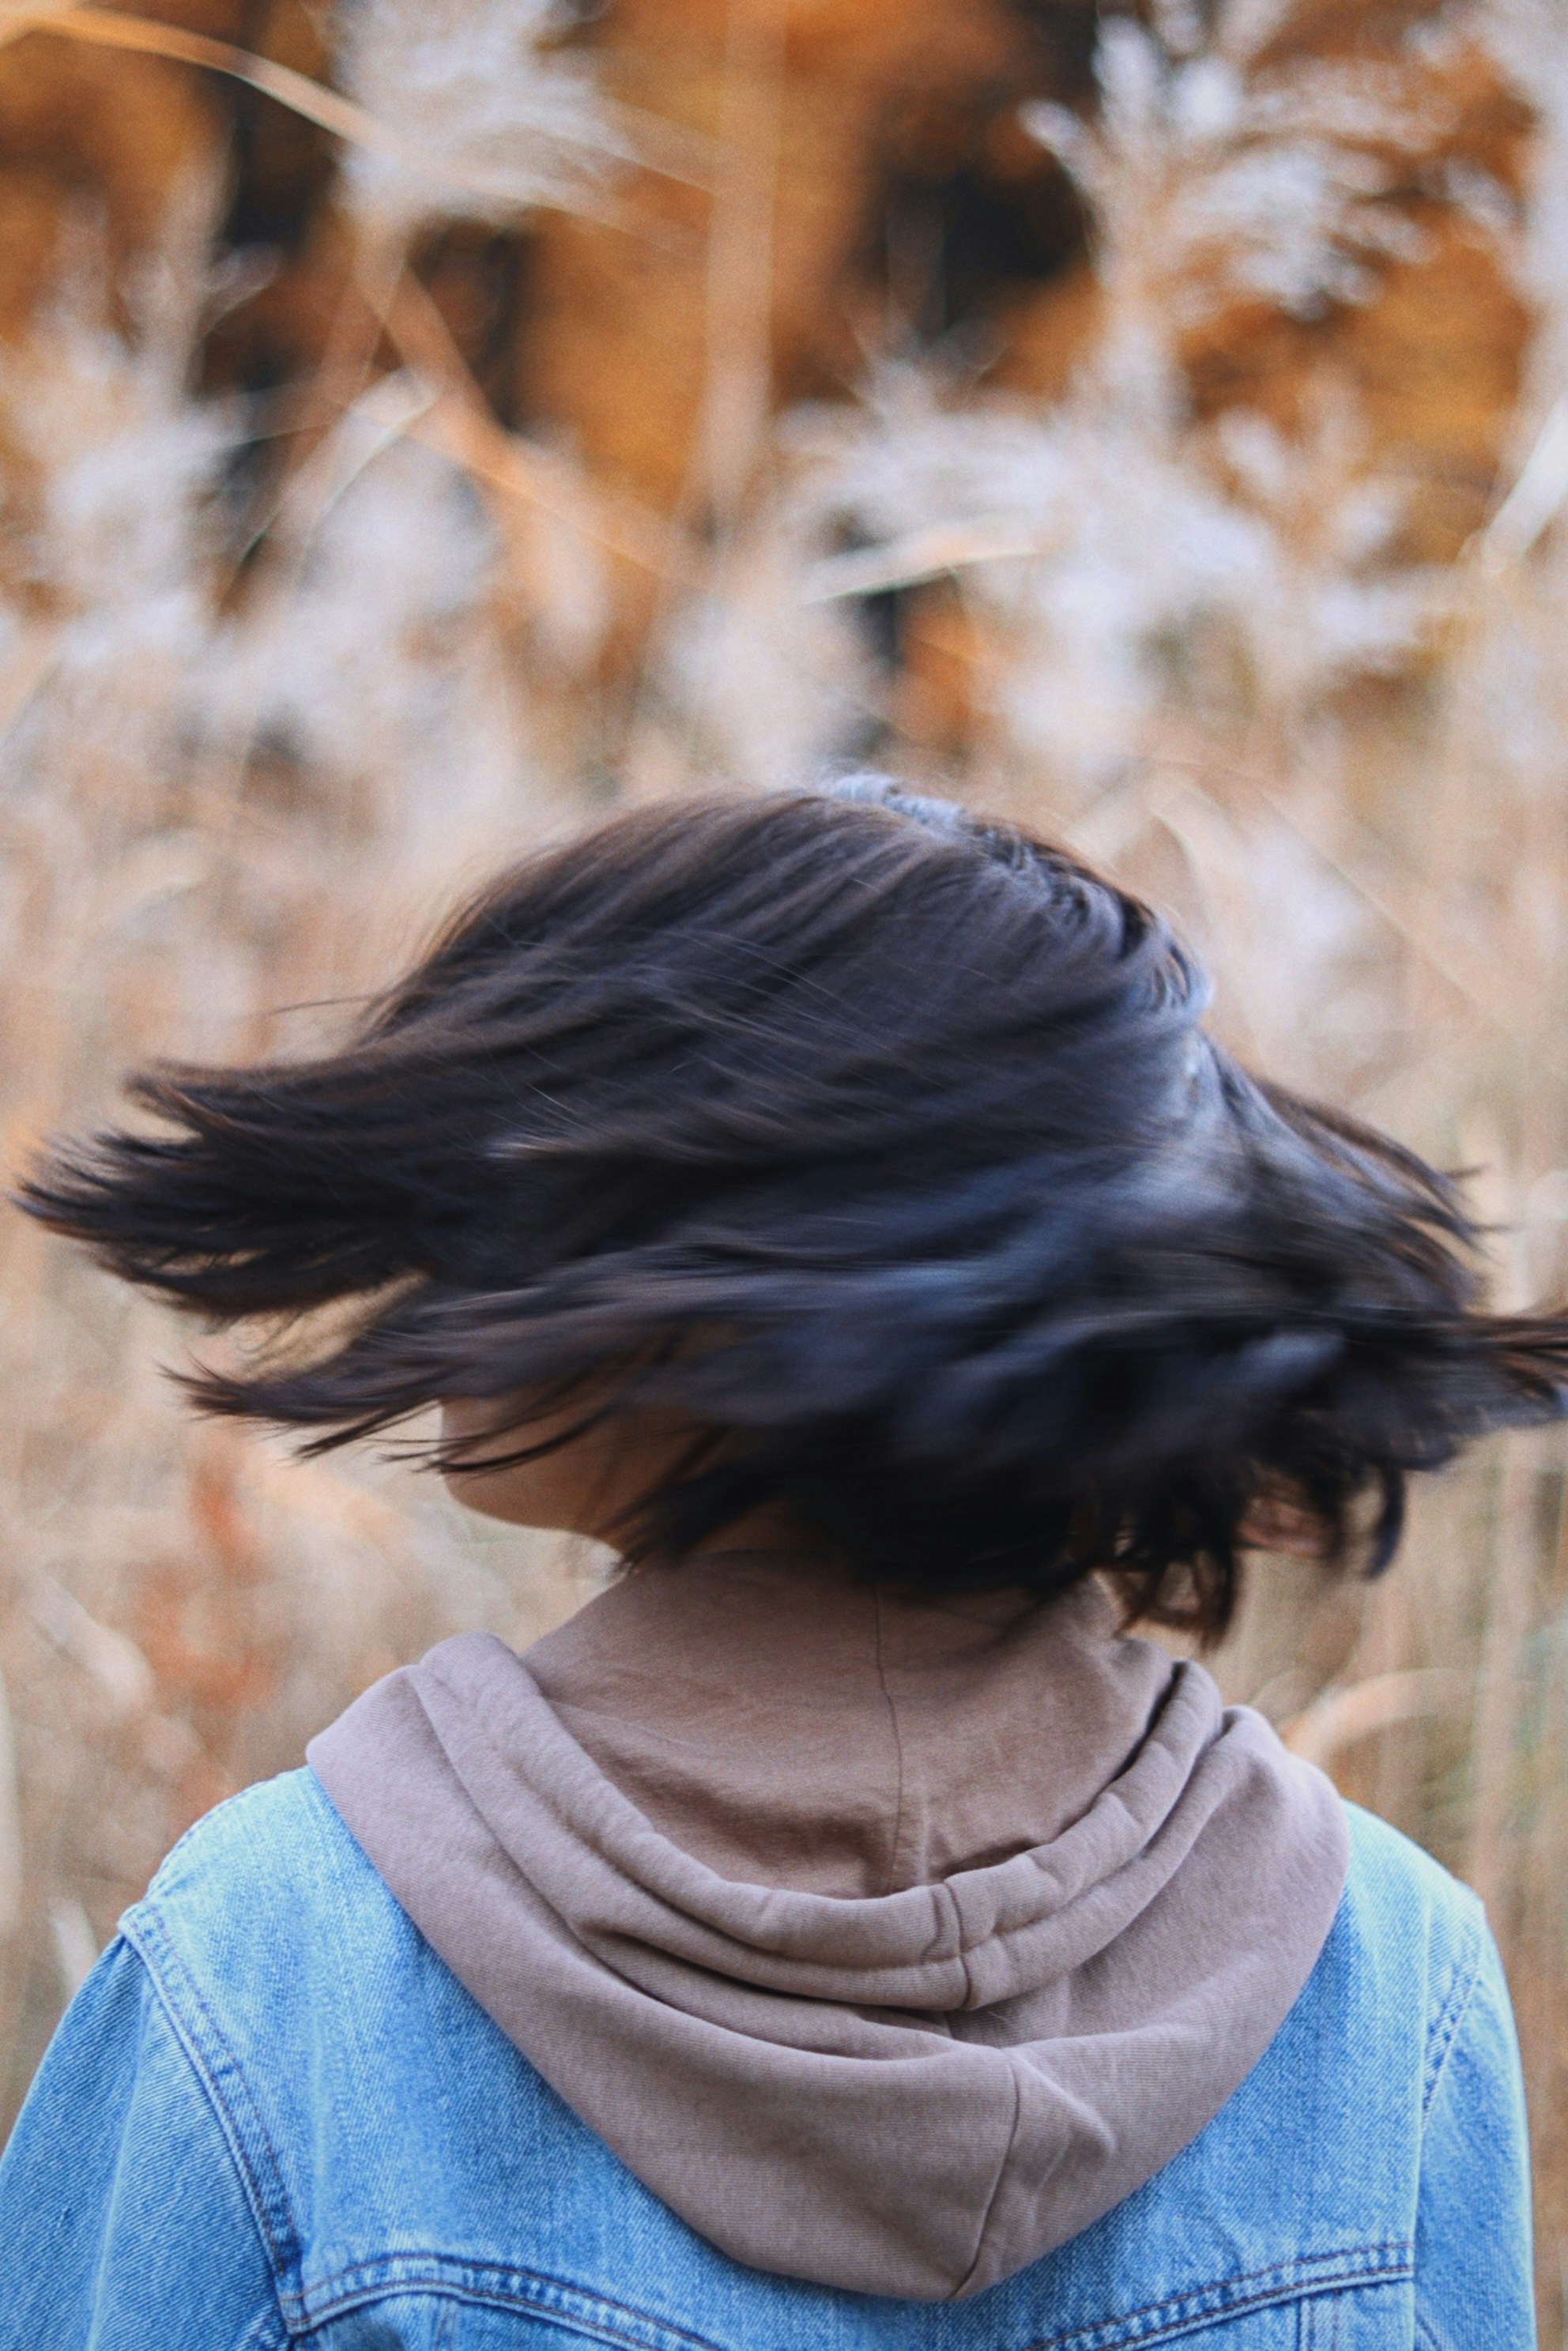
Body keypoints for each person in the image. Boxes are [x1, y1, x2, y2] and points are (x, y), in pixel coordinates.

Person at [0, 778, 1548, 2349]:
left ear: (750, 1272)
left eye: (540, 1165)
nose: (453, 1237)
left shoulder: (284, 1960)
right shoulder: (1379, 1971)